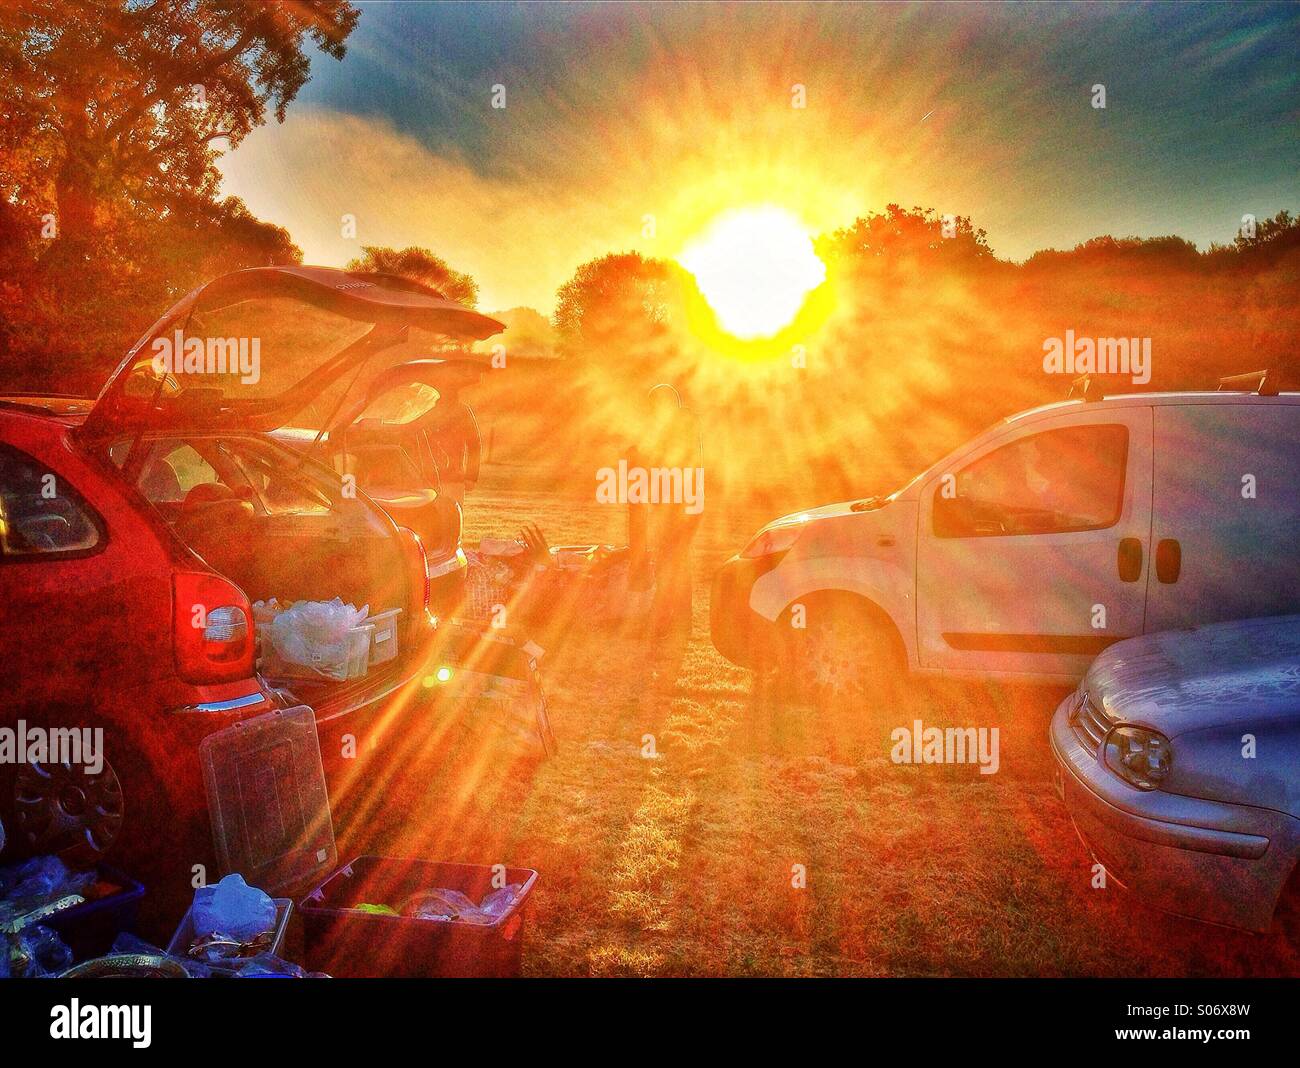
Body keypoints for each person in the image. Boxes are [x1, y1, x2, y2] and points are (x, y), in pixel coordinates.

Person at [630, 383, 703, 637]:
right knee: (677, 561)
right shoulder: (684, 424)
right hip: (683, 504)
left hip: (679, 505)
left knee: (670, 562)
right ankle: (678, 620)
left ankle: (664, 621)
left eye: (654, 408)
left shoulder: (678, 427)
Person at [426, 381, 481, 507]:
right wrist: (471, 477)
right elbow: (474, 444)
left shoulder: (432, 411)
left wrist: (471, 476)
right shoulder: (433, 412)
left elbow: (474, 444)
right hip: (440, 476)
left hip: (445, 476)